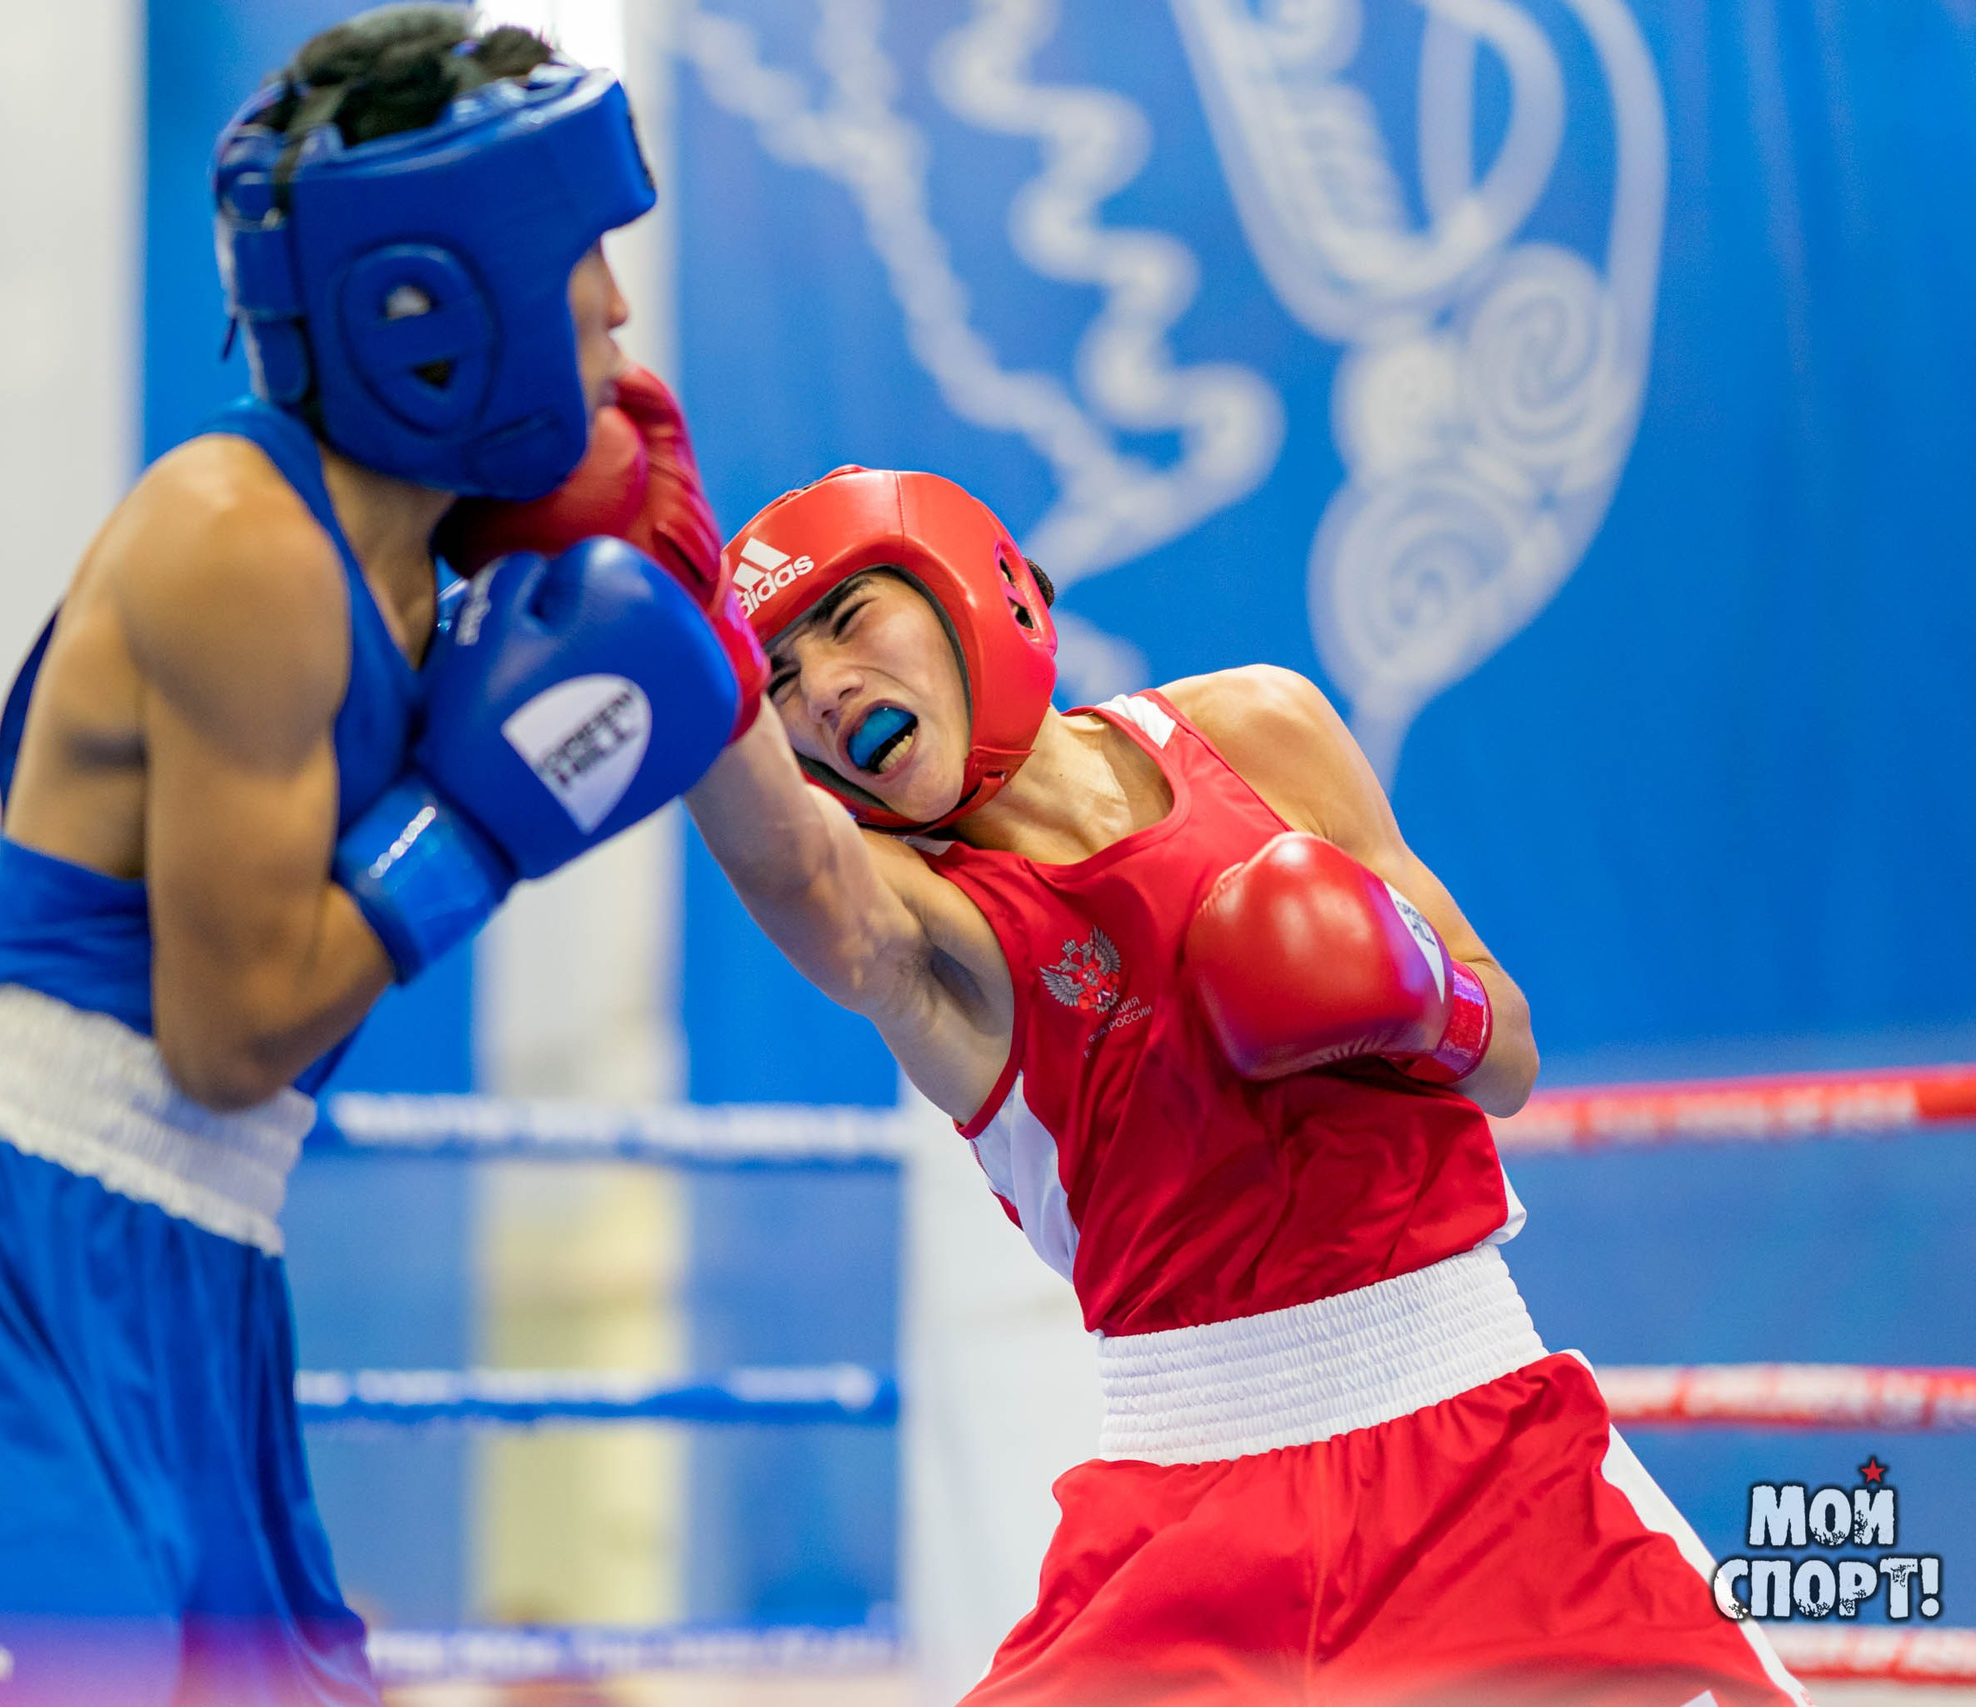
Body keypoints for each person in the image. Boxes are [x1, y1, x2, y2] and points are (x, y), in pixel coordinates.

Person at [0, 8, 758, 1704]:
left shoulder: (435, 576)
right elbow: (227, 1043)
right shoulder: (242, 545)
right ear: (438, 297)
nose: (617, 305)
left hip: (199, 1276)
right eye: (581, 252)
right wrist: (484, 824)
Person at [462, 451, 1807, 1699]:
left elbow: (1505, 1056)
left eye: (849, 619)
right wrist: (683, 654)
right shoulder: (932, 920)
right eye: (779, 675)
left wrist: (1412, 1001)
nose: (817, 685)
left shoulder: (1260, 729)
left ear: (979, 589)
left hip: (1481, 1450)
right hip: (1192, 1510)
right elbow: (796, 866)